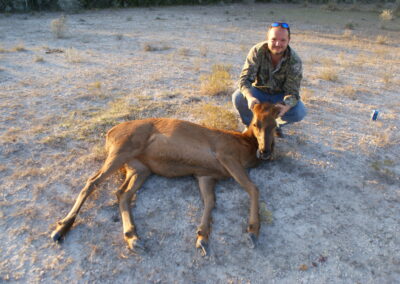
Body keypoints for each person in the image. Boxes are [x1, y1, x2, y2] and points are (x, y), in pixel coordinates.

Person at [232, 22, 307, 138]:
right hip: (258, 92)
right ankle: (250, 125)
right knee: (238, 97)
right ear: (267, 39)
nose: (278, 44)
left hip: (280, 96)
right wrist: (250, 97)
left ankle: (274, 126)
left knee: (299, 111)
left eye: (283, 40)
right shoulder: (257, 51)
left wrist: (285, 106)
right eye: (274, 39)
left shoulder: (295, 60)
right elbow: (244, 80)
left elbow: (293, 93)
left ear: (289, 40)